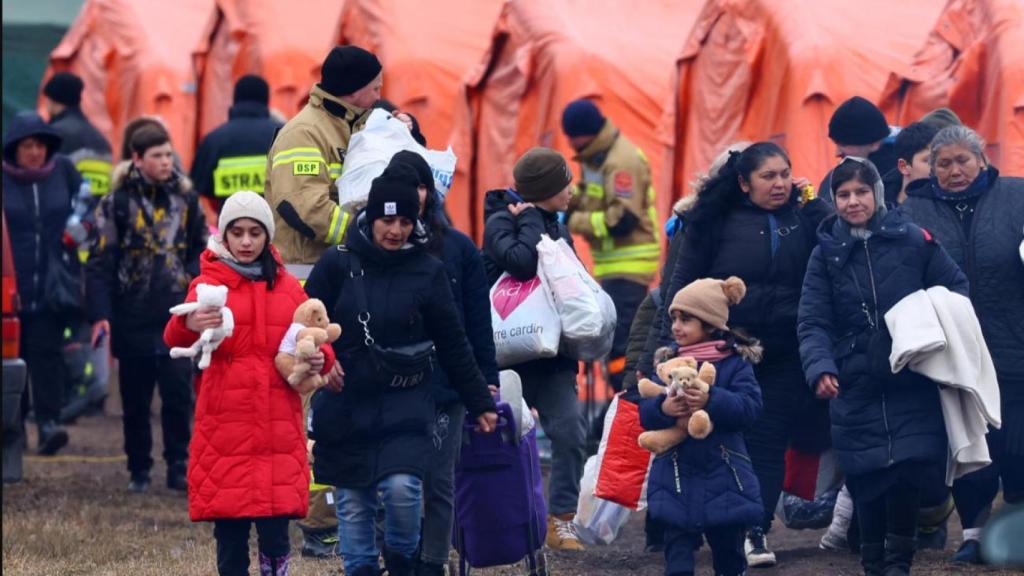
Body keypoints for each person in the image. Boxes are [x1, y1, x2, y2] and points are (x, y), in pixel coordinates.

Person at [303, 163, 497, 576]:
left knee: (403, 489)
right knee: (353, 501)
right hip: (346, 401)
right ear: (371, 218)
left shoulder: (428, 270)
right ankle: (360, 569)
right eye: (387, 219)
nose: (396, 230)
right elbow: (303, 324)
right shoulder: (336, 264)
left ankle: (403, 558)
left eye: (405, 220)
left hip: (406, 400)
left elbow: (453, 341)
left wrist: (480, 399)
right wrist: (325, 362)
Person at [647, 142, 830, 567]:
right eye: (769, 176)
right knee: (708, 439)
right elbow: (681, 286)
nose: (780, 183)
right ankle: (687, 528)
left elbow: (834, 247)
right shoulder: (713, 222)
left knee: (766, 444)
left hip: (785, 351)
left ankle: (755, 530)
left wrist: (813, 204)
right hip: (721, 356)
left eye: (786, 174)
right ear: (744, 183)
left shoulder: (801, 218)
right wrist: (664, 348)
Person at [798, 156, 969, 576]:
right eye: (843, 194)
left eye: (861, 192)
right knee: (865, 476)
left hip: (909, 375)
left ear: (876, 193)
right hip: (853, 380)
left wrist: (921, 331)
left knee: (908, 472)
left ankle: (899, 564)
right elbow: (813, 320)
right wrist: (821, 367)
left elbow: (955, 289)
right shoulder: (824, 255)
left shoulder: (915, 241)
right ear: (833, 199)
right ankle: (873, 562)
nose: (853, 202)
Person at [163, 191, 335, 576]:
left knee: (276, 535)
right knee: (231, 535)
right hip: (226, 428)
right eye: (237, 232)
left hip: (277, 429)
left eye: (254, 233)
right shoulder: (207, 286)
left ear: (266, 236)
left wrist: (322, 357)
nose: (245, 241)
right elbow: (174, 337)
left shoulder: (289, 288)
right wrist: (187, 325)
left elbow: (315, 334)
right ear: (224, 236)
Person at [901, 125, 1024, 564]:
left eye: (962, 161)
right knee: (971, 444)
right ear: (932, 168)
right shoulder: (913, 209)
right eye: (944, 163)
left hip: (1015, 341)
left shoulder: (1017, 195)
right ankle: (972, 535)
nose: (954, 171)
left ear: (981, 160)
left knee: (1017, 442)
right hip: (956, 352)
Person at [388, 151, 500, 575]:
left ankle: (433, 562)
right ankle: (398, 556)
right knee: (397, 480)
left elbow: (477, 319)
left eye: (419, 184)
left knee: (439, 480)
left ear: (429, 190)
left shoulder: (458, 248)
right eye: (404, 184)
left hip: (449, 382)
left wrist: (485, 379)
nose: (413, 194)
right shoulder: (380, 249)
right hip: (395, 383)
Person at [86, 124, 208, 492]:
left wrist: (193, 290)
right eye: (157, 155)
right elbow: (99, 262)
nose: (166, 162)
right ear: (137, 159)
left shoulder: (186, 200)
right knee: (135, 399)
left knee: (177, 395)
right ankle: (138, 469)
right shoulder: (117, 203)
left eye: (169, 154)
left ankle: (178, 465)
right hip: (131, 313)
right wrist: (101, 314)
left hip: (177, 313)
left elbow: (200, 252)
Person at [482, 147, 588, 551]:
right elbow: (520, 262)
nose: (571, 191)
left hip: (553, 357)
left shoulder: (558, 226)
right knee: (503, 438)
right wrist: (529, 219)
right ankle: (504, 517)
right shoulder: (499, 220)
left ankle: (561, 520)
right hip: (509, 356)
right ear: (545, 189)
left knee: (570, 433)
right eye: (564, 183)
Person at [640, 276, 764, 576]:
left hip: (724, 473)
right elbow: (645, 413)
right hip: (676, 476)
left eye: (686, 319)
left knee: (729, 556)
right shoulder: (669, 364)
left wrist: (712, 398)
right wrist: (663, 407)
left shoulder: (734, 363)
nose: (676, 326)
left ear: (709, 323)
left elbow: (750, 408)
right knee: (677, 558)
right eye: (674, 318)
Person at [561, 99, 660, 392]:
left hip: (629, 265)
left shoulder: (620, 161)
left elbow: (623, 219)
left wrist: (572, 221)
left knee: (622, 346)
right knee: (615, 342)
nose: (569, 143)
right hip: (611, 266)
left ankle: (626, 400)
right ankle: (620, 402)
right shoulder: (596, 158)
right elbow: (587, 196)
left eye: (571, 136)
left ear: (584, 133)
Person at [2, 112, 84, 455]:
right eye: (27, 145)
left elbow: (89, 206)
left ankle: (49, 424)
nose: (34, 152)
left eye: (39, 145)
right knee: (11, 362)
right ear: (14, 149)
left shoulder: (64, 171)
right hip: (11, 286)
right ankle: (13, 431)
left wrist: (80, 229)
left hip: (53, 285)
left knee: (46, 356)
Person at [264, 45, 383, 266]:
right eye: (376, 89)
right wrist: (368, 234)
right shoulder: (304, 133)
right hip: (305, 274)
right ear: (354, 91)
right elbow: (305, 206)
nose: (380, 96)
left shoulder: (356, 127)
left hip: (342, 268)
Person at [43, 71, 114, 426]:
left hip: (68, 246)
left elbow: (58, 192)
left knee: (64, 320)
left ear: (55, 100)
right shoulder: (100, 140)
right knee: (94, 318)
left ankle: (78, 387)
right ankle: (97, 386)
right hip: (99, 241)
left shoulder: (57, 137)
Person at [190, 75, 283, 211]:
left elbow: (198, 186)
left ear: (235, 99)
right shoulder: (284, 135)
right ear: (267, 100)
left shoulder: (213, 140)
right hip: (276, 226)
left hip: (231, 227)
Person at [44, 71, 114, 200]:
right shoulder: (101, 139)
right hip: (98, 212)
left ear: (51, 100)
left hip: (67, 210)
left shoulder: (54, 134)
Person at [820, 97, 899, 205]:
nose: (837, 153)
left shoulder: (900, 179)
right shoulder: (835, 176)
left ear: (873, 144)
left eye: (843, 144)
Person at [891, 121, 939, 204]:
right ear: (904, 166)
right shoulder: (877, 205)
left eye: (943, 161)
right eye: (930, 160)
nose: (938, 167)